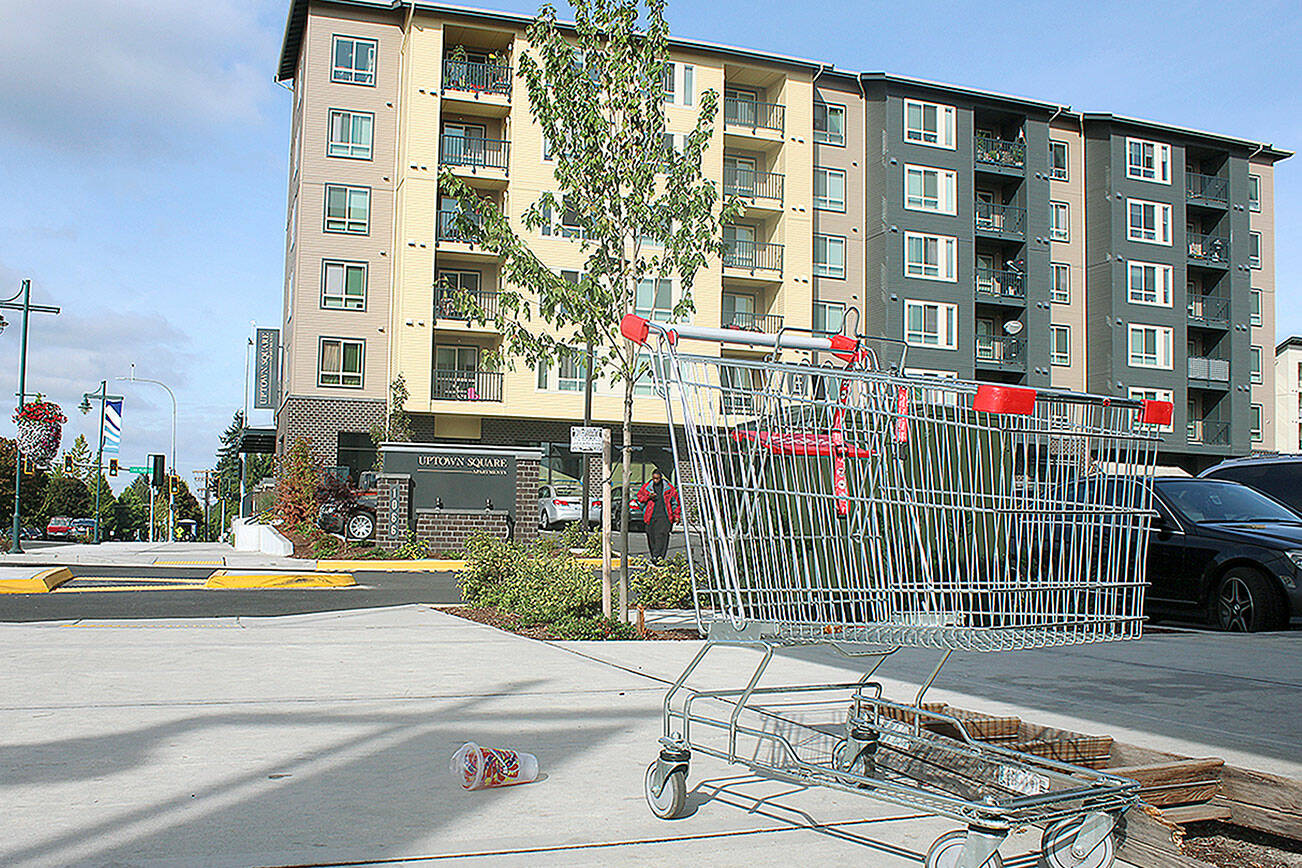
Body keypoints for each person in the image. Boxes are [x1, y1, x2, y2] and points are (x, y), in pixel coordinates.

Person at [636, 469, 680, 563]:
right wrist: (648, 497)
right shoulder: (647, 487)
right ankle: (654, 555)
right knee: (651, 536)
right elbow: (639, 498)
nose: (655, 480)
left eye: (657, 478)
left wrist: (676, 515)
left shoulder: (669, 488)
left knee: (662, 536)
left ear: (661, 478)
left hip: (665, 516)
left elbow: (675, 502)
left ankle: (658, 556)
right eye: (654, 478)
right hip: (651, 516)